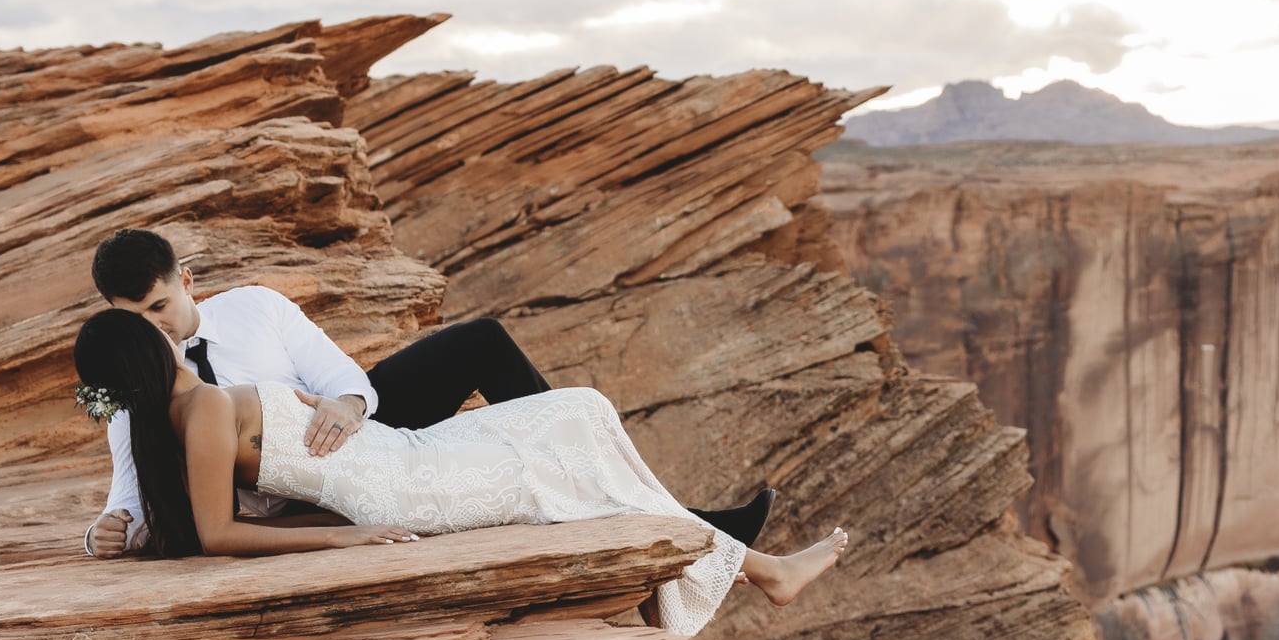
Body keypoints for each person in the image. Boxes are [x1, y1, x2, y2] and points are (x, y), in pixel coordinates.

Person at [72, 311, 848, 640]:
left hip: (398, 456)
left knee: (575, 417)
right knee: (569, 441)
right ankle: (763, 571)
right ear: (146, 355)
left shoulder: (188, 413)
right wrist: (348, 542)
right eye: (152, 330)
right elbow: (217, 534)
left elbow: (225, 508)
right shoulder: (201, 410)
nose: (167, 330)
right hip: (406, 484)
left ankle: (718, 577)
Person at [80, 228, 774, 558]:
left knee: (485, 343)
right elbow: (132, 483)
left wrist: (344, 406)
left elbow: (346, 377)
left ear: (189, 282)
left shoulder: (257, 308)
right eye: (131, 317)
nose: (153, 328)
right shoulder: (140, 383)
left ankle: (672, 510)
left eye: (159, 307)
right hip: (283, 495)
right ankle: (666, 520)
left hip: (344, 438)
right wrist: (103, 530)